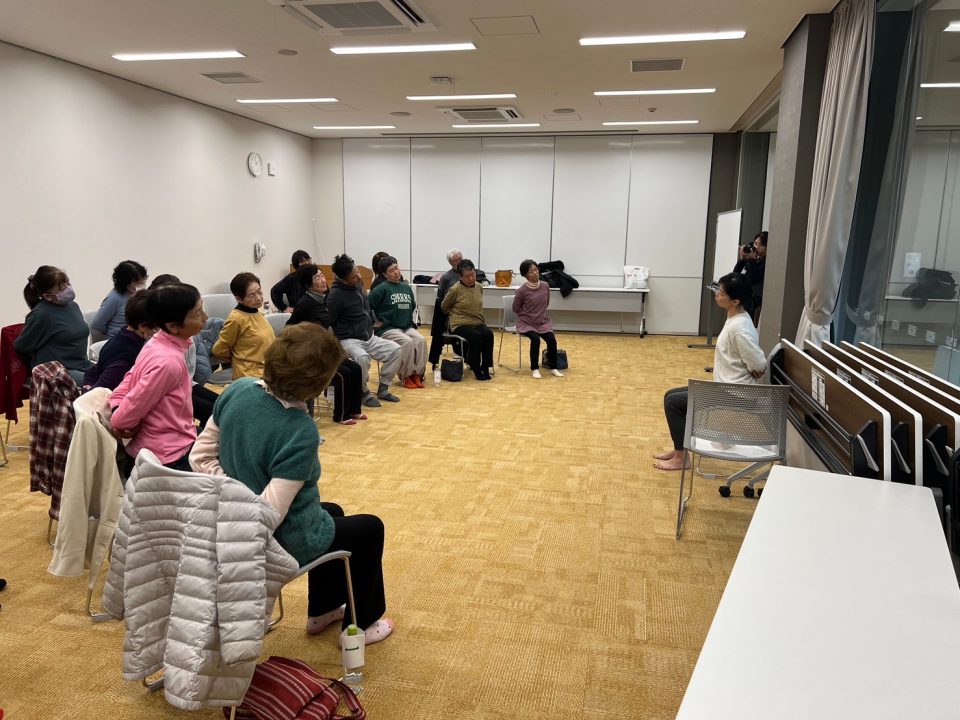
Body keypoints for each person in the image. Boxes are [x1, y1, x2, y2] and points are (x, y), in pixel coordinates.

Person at [189, 322, 394, 646]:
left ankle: (323, 610)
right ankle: (362, 626)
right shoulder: (299, 430)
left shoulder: (238, 389)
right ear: (319, 382)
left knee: (333, 511)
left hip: (226, 518)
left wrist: (230, 487)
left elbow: (199, 457)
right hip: (270, 537)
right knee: (370, 528)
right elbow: (268, 512)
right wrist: (242, 494)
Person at [654, 273, 766, 471]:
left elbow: (759, 364)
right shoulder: (735, 318)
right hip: (726, 388)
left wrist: (756, 369)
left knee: (674, 403)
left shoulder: (739, 328)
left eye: (721, 293)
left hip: (736, 394)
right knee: (670, 395)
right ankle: (679, 450)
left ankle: (681, 458)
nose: (717, 295)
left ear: (735, 301)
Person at [109, 283, 206, 474]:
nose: (205, 317)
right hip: (167, 457)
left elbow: (128, 381)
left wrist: (116, 405)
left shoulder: (156, 341)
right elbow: (122, 418)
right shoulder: (168, 362)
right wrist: (118, 415)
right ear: (173, 326)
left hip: (167, 442)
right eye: (197, 314)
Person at [288, 263, 368, 425]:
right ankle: (341, 415)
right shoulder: (305, 303)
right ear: (308, 284)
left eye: (322, 276)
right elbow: (289, 328)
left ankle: (354, 410)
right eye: (317, 277)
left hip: (324, 350)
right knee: (341, 374)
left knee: (355, 368)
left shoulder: (324, 299)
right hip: (311, 354)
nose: (323, 280)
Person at [326, 254, 402, 407]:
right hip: (348, 339)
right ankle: (363, 392)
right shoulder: (335, 296)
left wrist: (372, 320)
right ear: (344, 278)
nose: (359, 277)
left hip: (369, 336)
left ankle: (383, 388)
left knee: (396, 350)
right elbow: (329, 322)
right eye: (354, 275)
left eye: (358, 272)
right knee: (362, 358)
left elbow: (366, 307)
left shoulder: (358, 284)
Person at [148, 274, 219, 429]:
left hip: (187, 384)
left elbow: (192, 372)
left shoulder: (186, 336)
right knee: (213, 412)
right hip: (173, 393)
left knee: (221, 405)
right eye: (197, 313)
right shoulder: (161, 350)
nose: (205, 317)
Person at [14, 265, 92, 386]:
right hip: (56, 371)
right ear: (47, 296)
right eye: (61, 288)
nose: (67, 288)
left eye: (67, 283)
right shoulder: (41, 314)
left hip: (81, 365)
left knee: (114, 375)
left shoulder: (73, 306)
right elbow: (21, 346)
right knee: (102, 382)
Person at [368, 256, 426, 389]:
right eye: (391, 270)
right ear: (384, 274)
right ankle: (406, 376)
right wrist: (372, 321)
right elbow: (366, 304)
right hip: (388, 328)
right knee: (407, 342)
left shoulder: (406, 287)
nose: (396, 272)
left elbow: (412, 305)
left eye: (396, 268)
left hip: (406, 326)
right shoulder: (381, 288)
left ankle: (418, 374)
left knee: (421, 340)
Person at [82, 290, 154, 390]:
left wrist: (87, 386)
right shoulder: (128, 356)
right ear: (143, 326)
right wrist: (88, 390)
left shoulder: (120, 337)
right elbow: (102, 388)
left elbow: (93, 371)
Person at [212, 272, 275, 380]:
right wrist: (239, 357)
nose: (258, 297)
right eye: (251, 295)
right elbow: (219, 349)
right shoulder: (236, 318)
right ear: (239, 299)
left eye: (259, 291)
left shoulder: (256, 311)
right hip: (249, 375)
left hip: (266, 370)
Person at [441, 259, 494, 381]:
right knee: (475, 336)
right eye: (467, 276)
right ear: (460, 276)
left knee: (488, 334)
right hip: (459, 324)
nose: (471, 278)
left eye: (473, 274)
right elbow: (444, 306)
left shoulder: (479, 287)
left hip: (477, 321)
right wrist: (455, 315)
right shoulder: (455, 289)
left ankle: (485, 366)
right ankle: (476, 368)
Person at [513, 259, 563, 379]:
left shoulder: (545, 286)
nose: (535, 273)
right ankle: (535, 368)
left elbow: (546, 303)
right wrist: (527, 315)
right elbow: (515, 308)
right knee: (535, 339)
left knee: (551, 339)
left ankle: (553, 368)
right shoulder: (522, 290)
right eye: (531, 272)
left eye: (535, 269)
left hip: (541, 321)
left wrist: (539, 315)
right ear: (525, 275)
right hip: (526, 323)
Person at [427, 248, 463, 380]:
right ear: (450, 263)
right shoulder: (446, 277)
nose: (459, 262)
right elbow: (441, 300)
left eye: (460, 259)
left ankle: (472, 360)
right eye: (455, 260)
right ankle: (435, 361)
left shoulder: (468, 273)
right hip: (448, 314)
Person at [90, 261, 148, 338]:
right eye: (136, 281)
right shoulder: (113, 298)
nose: (140, 284)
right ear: (125, 282)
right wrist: (114, 333)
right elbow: (96, 324)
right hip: (122, 339)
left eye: (142, 280)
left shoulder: (136, 293)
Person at [734, 231, 767, 324]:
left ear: (767, 246)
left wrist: (752, 260)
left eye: (760, 244)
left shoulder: (765, 262)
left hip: (754, 302)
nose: (756, 247)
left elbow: (753, 279)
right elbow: (735, 274)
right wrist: (742, 259)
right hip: (744, 298)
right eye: (755, 243)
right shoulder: (751, 260)